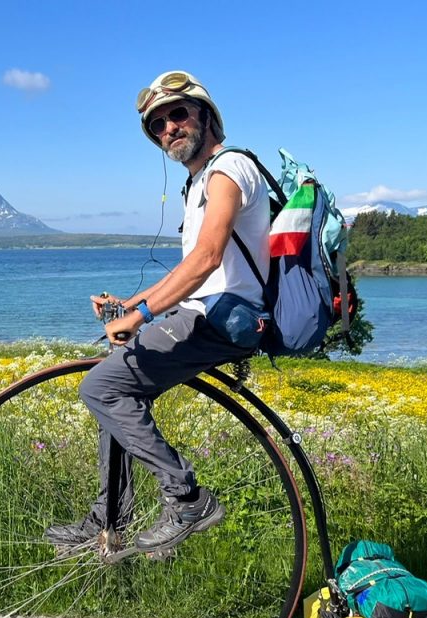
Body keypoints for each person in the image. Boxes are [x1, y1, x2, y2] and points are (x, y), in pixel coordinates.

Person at [45, 70, 272, 553]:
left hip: (222, 319)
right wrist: (129, 305)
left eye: (178, 114)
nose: (168, 127)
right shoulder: (199, 184)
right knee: (115, 384)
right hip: (206, 311)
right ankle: (110, 516)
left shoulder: (230, 168)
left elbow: (208, 259)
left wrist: (142, 316)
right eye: (158, 125)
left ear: (206, 116)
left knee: (101, 389)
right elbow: (192, 270)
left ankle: (187, 498)